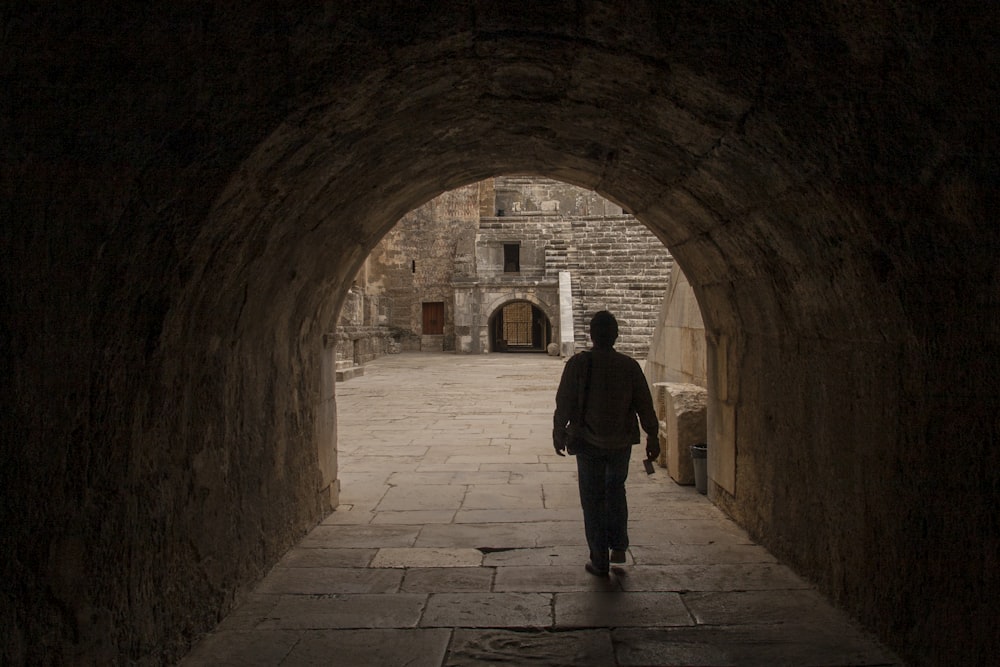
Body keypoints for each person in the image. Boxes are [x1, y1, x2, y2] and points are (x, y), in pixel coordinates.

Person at [553, 311, 660, 576]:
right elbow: (644, 404)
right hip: (620, 442)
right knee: (615, 490)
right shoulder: (629, 365)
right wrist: (653, 435)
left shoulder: (578, 364)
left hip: (588, 442)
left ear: (591, 335)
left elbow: (564, 401)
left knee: (592, 498)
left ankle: (599, 557)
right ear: (616, 335)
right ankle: (619, 546)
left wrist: (558, 431)